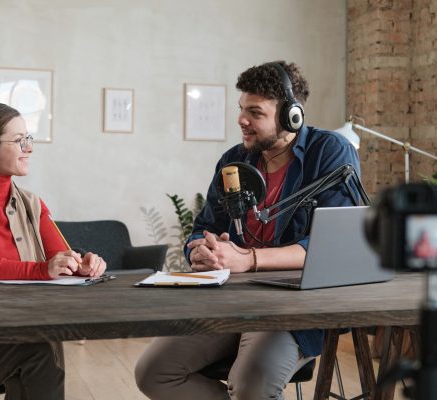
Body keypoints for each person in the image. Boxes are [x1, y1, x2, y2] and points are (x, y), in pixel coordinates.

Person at [135, 61, 362, 400]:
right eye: (241, 109)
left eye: (255, 112)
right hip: (229, 301)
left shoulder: (329, 153)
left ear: (291, 116)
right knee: (154, 373)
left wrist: (249, 259)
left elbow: (331, 245)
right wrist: (200, 249)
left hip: (292, 308)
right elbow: (203, 228)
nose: (242, 119)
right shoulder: (234, 162)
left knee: (251, 385)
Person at [0, 100, 107, 399]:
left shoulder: (32, 203)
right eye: (19, 140)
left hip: (17, 331)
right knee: (41, 350)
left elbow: (60, 258)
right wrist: (43, 270)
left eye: (29, 139)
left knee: (41, 343)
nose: (29, 148)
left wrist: (82, 265)